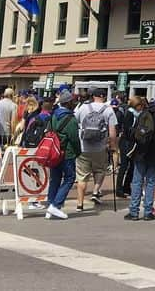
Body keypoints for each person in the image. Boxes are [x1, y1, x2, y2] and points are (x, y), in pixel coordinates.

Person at [73, 86, 118, 211]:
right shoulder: (108, 110)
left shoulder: (83, 108)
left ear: (93, 96)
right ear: (103, 97)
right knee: (100, 170)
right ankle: (95, 191)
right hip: (100, 147)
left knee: (82, 176)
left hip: (83, 146)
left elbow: (74, 121)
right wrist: (113, 146)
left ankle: (80, 204)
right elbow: (112, 132)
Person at [45, 91, 79, 220]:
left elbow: (49, 130)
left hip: (54, 151)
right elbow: (74, 138)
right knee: (70, 177)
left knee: (55, 178)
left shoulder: (53, 115)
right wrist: (78, 152)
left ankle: (50, 205)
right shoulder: (70, 118)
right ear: (69, 102)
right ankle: (56, 204)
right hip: (67, 152)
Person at [123, 96, 155, 221]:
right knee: (150, 182)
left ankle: (134, 211)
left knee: (137, 181)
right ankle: (148, 211)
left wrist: (132, 132)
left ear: (139, 106)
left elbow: (138, 135)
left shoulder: (144, 116)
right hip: (153, 153)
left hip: (141, 153)